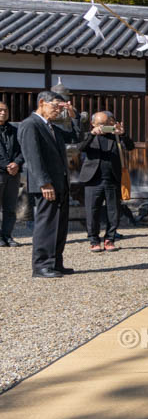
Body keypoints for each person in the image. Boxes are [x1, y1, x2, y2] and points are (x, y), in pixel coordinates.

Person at [17, 90, 80, 278]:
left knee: (59, 224)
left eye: (61, 108)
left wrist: (73, 116)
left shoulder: (51, 127)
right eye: (56, 106)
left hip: (60, 182)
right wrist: (44, 182)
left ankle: (55, 262)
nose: (57, 111)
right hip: (46, 184)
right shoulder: (30, 124)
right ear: (42, 102)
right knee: (46, 224)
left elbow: (75, 138)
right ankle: (41, 265)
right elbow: (33, 157)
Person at [79, 111, 134, 251]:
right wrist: (92, 134)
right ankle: (93, 240)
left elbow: (131, 147)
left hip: (112, 178)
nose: (104, 127)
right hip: (92, 179)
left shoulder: (115, 136)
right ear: (93, 124)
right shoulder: (88, 135)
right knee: (92, 211)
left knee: (113, 211)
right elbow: (81, 148)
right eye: (100, 124)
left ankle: (110, 238)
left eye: (107, 123)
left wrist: (123, 134)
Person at [0, 101, 24, 247]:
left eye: (6, 110)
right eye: (1, 110)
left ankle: (7, 235)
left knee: (10, 207)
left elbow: (23, 150)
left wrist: (17, 163)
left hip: (14, 173)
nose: (3, 112)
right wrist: (5, 165)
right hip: (1, 171)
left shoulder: (15, 130)